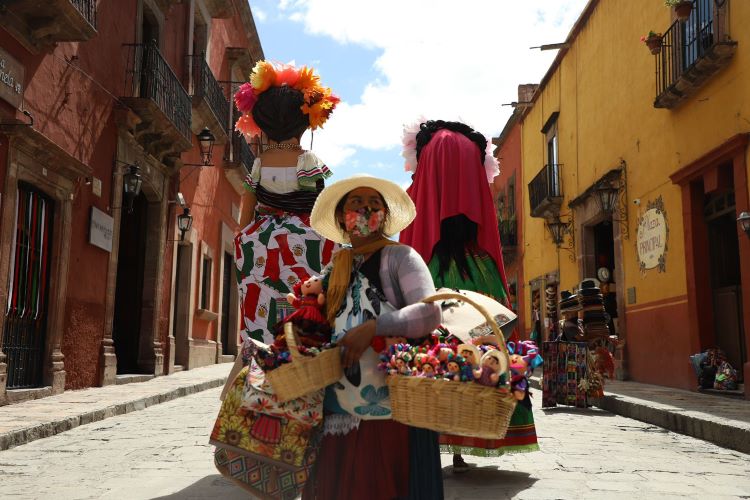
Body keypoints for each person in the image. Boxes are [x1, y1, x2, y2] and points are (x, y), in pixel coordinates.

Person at [399, 120, 539, 472]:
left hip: (432, 268)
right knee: (483, 341)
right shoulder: (486, 263)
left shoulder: (419, 257)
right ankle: (475, 429)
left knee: (432, 348)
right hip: (478, 273)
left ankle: (432, 432)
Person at [305, 174, 443, 500]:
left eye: (374, 204)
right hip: (337, 402)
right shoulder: (333, 268)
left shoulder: (401, 257)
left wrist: (373, 328)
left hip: (390, 406)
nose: (366, 209)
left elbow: (428, 313)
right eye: (356, 203)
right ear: (342, 217)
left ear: (384, 215)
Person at [233, 61, 340, 344]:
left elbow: (248, 199)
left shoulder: (260, 163)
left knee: (261, 295)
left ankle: (262, 343)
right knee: (307, 294)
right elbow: (319, 202)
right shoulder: (307, 161)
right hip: (305, 237)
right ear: (305, 122)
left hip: (260, 239)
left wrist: (241, 233)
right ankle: (304, 341)